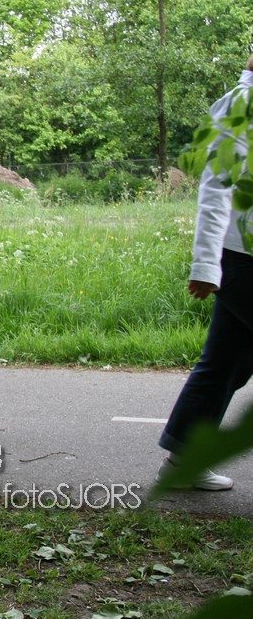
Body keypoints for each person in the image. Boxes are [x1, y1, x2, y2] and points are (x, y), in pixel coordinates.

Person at [156, 56, 253, 492]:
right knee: (225, 362)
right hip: (243, 259)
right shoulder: (240, 106)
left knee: (227, 361)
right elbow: (216, 189)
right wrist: (206, 266)